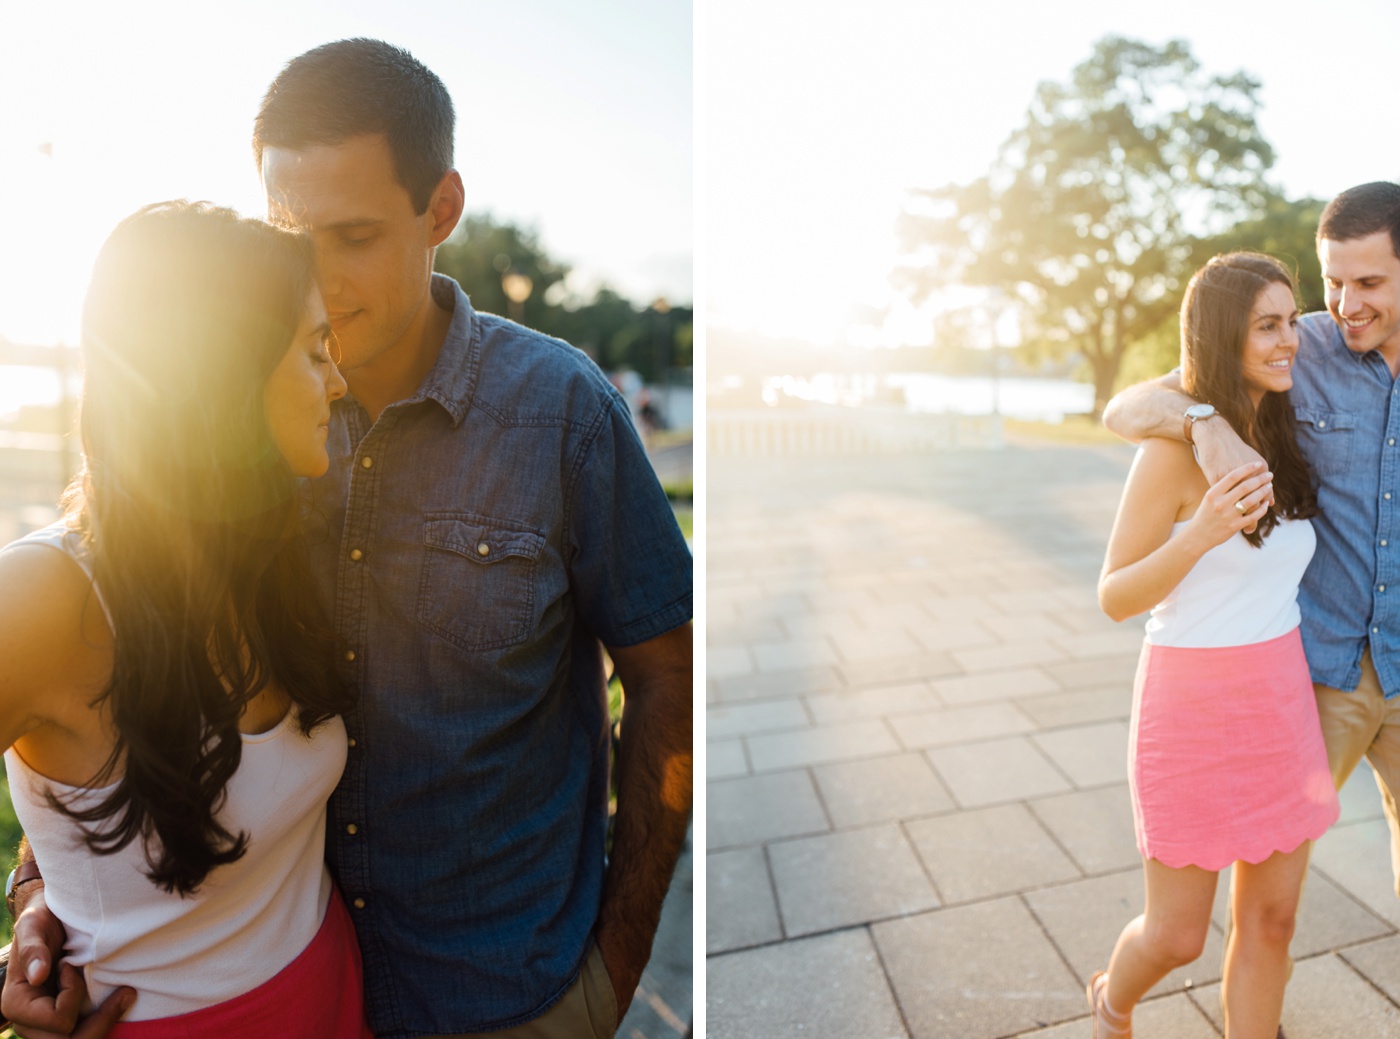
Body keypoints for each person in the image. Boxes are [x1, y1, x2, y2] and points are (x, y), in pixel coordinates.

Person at [7, 38, 694, 1039]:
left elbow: (666, 680)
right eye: (291, 234)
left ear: (441, 211)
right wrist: (49, 893)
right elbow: (114, 708)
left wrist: (615, 968)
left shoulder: (563, 414)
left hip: (511, 998)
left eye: (356, 234)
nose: (318, 280)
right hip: (319, 994)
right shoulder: (247, 453)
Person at [0, 201, 368, 1037]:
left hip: (335, 998)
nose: (338, 380)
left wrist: (33, 884)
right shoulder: (45, 595)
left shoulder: (276, 552)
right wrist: (9, 959)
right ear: (226, 369)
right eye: (315, 350)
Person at [1101, 182, 1400, 901]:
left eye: (1369, 282)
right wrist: (1204, 421)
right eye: (1332, 282)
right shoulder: (1305, 347)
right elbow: (1126, 407)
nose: (1345, 303)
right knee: (1267, 901)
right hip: (1321, 672)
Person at [1088, 253, 1339, 1038]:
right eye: (1266, 325)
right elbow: (1115, 595)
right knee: (1177, 936)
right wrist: (1199, 534)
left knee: (1270, 924)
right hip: (1189, 706)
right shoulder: (1169, 450)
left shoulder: (1285, 427)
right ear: (1223, 336)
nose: (1287, 339)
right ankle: (1113, 1000)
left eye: (1290, 320)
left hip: (1280, 701)